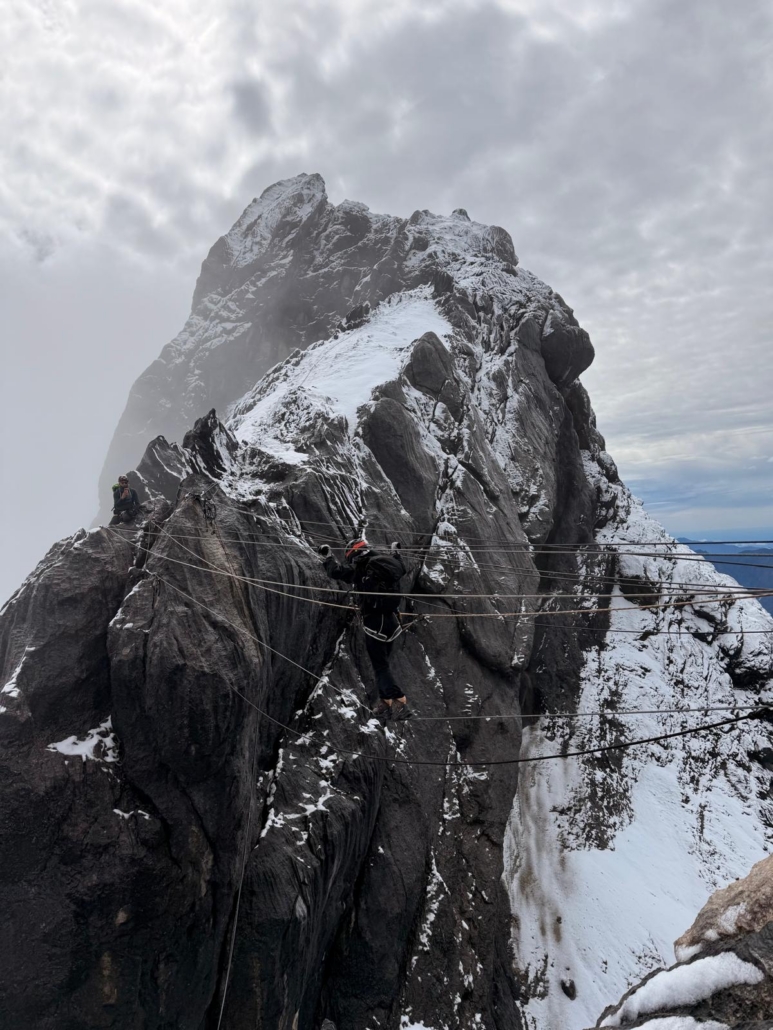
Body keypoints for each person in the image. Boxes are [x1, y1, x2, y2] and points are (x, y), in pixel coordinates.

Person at [319, 538, 412, 722]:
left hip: (375, 624)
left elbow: (335, 572)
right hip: (393, 623)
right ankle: (385, 702)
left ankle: (399, 700)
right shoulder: (385, 564)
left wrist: (327, 555)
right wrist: (395, 551)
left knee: (380, 666)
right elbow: (400, 564)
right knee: (383, 663)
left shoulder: (360, 569)